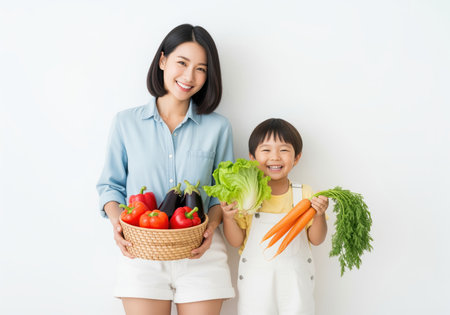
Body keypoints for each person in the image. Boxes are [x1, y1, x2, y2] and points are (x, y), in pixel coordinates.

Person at [96, 24, 235, 315]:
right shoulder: (126, 123)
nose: (189, 76)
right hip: (141, 253)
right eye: (182, 63)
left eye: (200, 68)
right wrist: (117, 222)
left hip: (201, 255)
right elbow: (110, 185)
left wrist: (211, 225)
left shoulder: (218, 128)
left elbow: (223, 194)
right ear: (162, 61)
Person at [221, 118, 329, 315]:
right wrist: (228, 218)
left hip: (296, 287)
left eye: (284, 150)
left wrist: (320, 215)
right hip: (256, 286)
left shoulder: (304, 194)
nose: (275, 157)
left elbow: (317, 239)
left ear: (296, 158)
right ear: (252, 157)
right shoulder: (246, 197)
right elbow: (236, 241)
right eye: (266, 150)